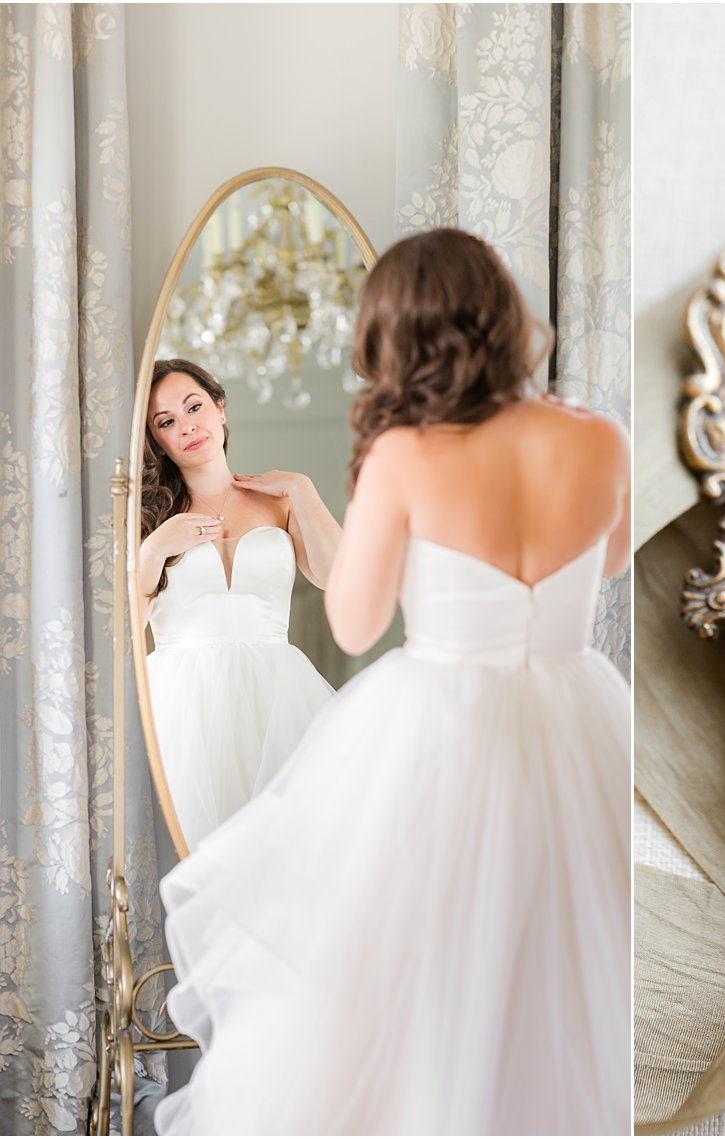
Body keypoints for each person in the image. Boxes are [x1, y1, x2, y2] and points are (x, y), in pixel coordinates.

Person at [153, 229, 632, 1135]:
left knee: (416, 984)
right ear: (502, 317)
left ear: (395, 336)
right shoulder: (600, 438)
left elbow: (354, 622)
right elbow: (609, 557)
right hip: (579, 716)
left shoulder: (406, 455)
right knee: (570, 968)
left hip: (445, 726)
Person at [140, 359, 342, 848]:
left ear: (220, 407)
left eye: (195, 407)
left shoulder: (281, 503)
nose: (187, 425)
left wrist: (302, 489)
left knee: (290, 847)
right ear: (156, 439)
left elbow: (341, 579)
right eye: (166, 422)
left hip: (279, 693)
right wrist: (153, 549)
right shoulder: (145, 515)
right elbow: (120, 627)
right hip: (182, 702)